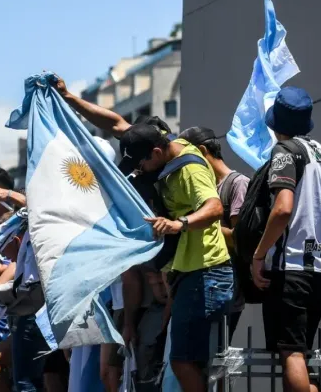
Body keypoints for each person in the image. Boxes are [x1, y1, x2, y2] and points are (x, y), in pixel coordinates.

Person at [52, 74, 171, 390]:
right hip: (129, 289)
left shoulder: (178, 170)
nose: (137, 161)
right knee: (113, 373)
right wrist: (69, 99)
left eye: (141, 153)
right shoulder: (134, 175)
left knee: (147, 371)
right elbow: (116, 123)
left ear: (158, 147)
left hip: (161, 285)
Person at [118, 121, 233, 392]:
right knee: (186, 362)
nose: (139, 171)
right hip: (189, 273)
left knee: (183, 362)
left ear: (156, 153)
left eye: (140, 164)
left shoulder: (190, 168)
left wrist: (178, 224)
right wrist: (70, 98)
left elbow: (215, 208)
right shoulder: (168, 147)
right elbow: (116, 123)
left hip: (206, 272)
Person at [250, 86, 321, 392]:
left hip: (290, 269)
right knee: (298, 355)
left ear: (275, 124)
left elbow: (283, 209)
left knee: (292, 354)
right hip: (317, 270)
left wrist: (259, 255)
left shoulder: (284, 152)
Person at [178, 126, 251, 342]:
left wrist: (201, 224)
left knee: (216, 356)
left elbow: (241, 239)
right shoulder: (204, 186)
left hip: (227, 286)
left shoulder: (238, 184)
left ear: (201, 151)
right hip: (200, 280)